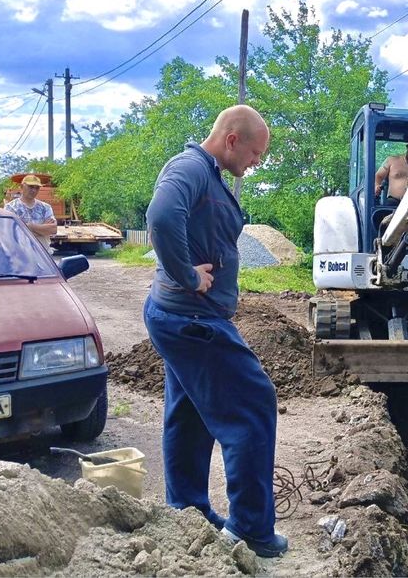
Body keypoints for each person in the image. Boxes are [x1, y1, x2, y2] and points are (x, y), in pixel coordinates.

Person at [142, 104, 287, 559]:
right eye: (255, 152)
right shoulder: (190, 168)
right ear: (231, 139)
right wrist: (187, 274)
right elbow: (162, 217)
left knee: (188, 416)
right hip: (193, 320)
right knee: (253, 406)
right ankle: (250, 529)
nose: (256, 162)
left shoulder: (206, 174)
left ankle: (186, 511)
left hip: (184, 318)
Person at [4, 174, 57, 251]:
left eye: (37, 188)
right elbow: (10, 232)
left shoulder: (45, 207)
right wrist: (42, 230)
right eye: (31, 187)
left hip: (43, 255)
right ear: (22, 187)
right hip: (20, 254)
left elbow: (53, 229)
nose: (34, 190)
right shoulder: (11, 207)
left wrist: (29, 226)